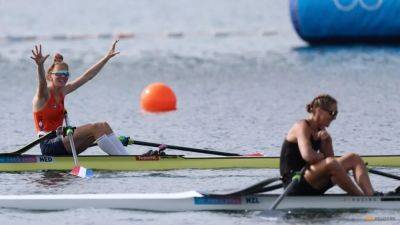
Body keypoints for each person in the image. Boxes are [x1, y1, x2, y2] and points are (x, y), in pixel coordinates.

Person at [31, 41, 128, 156]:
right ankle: (123, 159)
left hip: (63, 141)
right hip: (48, 145)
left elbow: (87, 76)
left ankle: (125, 157)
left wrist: (106, 58)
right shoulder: (43, 95)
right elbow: (42, 83)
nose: (63, 77)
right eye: (59, 73)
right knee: (96, 128)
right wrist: (40, 66)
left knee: (104, 126)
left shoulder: (63, 91)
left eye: (66, 74)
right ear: (50, 76)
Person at [280, 94, 374, 196]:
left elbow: (332, 163)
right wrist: (321, 157)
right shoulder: (301, 126)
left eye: (336, 114)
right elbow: (309, 157)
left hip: (313, 180)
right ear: (319, 110)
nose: (334, 117)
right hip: (295, 182)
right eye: (332, 113)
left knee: (354, 158)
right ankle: (360, 197)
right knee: (330, 163)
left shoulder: (321, 130)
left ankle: (370, 196)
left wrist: (328, 141)